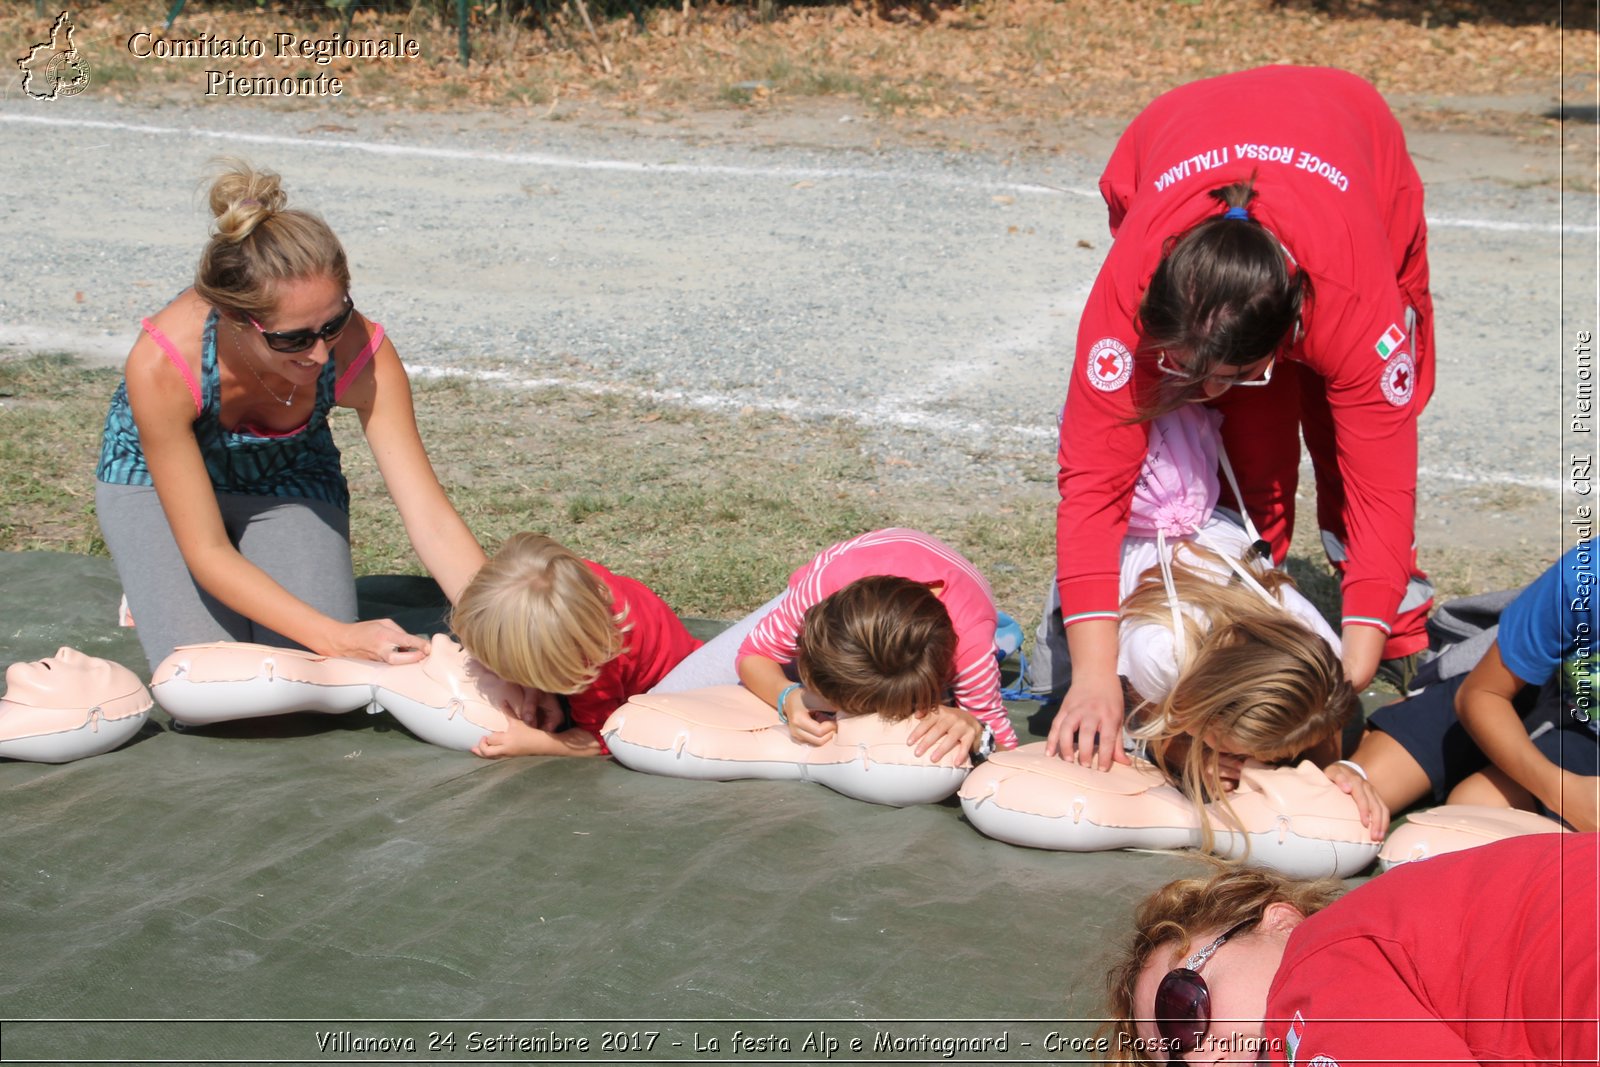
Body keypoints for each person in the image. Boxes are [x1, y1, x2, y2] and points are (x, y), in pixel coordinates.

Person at [1050, 66, 1435, 771]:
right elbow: (1092, 487)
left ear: (1287, 332)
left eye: (1223, 374)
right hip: (1174, 129)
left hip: (1349, 138)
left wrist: (1348, 673)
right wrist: (1095, 675)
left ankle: (1403, 630)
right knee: (1242, 443)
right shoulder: (1129, 297)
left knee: (1336, 435)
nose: (1197, 387)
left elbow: (1382, 487)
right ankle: (1256, 569)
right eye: (1179, 363)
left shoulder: (1352, 301)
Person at [96, 160, 486, 673]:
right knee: (215, 682)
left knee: (313, 675)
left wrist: (501, 627)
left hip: (289, 475)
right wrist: (338, 637)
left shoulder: (363, 351)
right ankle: (152, 585)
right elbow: (207, 548)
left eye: (333, 323)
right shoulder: (162, 364)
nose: (321, 354)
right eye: (291, 339)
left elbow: (430, 519)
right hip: (152, 483)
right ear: (235, 318)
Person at [1104, 832, 1598, 1065]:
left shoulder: (1315, 963)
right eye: (1173, 1060)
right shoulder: (1417, 952)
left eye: (1183, 1008)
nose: (1198, 1059)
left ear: (1279, 921)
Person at [654, 528, 1019, 762]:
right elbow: (754, 655)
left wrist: (974, 730)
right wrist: (788, 696)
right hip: (842, 582)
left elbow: (1005, 750)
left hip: (954, 630)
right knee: (661, 704)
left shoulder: (969, 652)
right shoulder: (822, 589)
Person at [1347, 541, 1600, 831]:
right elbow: (1484, 693)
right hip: (1537, 693)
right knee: (1340, 811)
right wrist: (1562, 792)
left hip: (1576, 725)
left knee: (1466, 828)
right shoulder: (1585, 578)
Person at [449, 532, 703, 759]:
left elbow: (605, 736)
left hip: (670, 698)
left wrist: (542, 743)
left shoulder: (596, 664)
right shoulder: (569, 584)